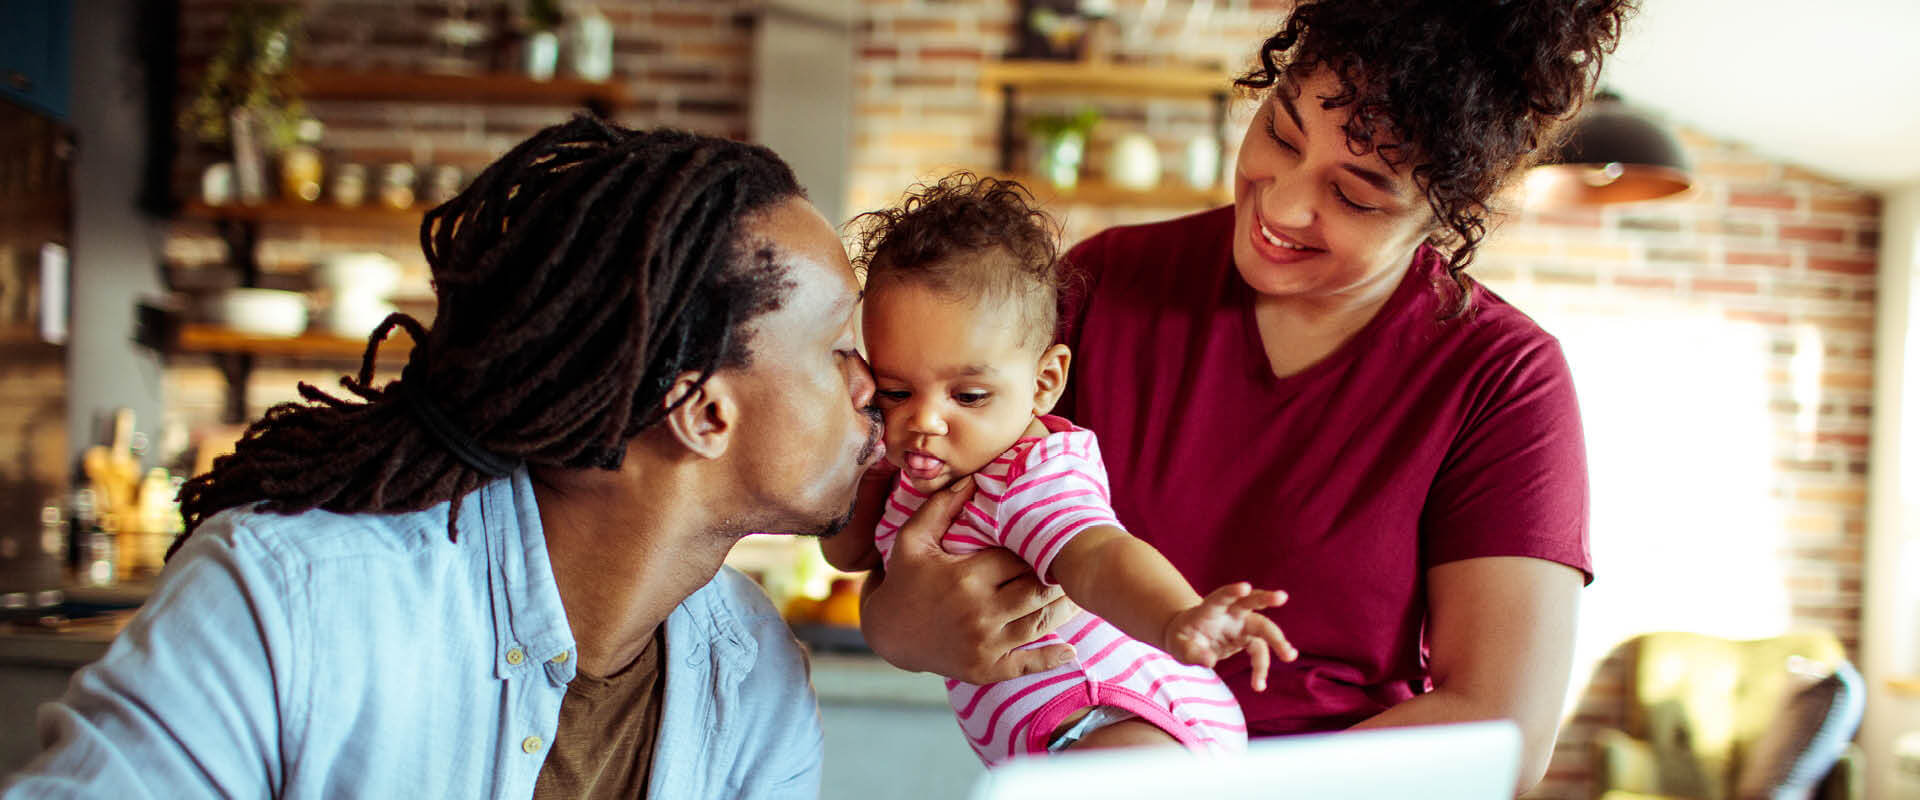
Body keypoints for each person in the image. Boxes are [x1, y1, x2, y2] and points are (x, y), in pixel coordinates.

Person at [855, 0, 1631, 792]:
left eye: (1357, 194)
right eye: (1281, 135)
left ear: (1447, 209)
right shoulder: (1106, 287)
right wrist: (897, 629)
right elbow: (915, 534)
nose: (1282, 205)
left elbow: (1503, 728)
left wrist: (1206, 784)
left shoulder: (1502, 379)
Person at [3, 117, 885, 798]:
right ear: (700, 408)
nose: (874, 384)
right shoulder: (289, 599)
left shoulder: (754, 672)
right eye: (842, 347)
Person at [822, 174, 1296, 765]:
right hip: (1062, 735)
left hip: (1120, 716)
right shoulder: (920, 473)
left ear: (1044, 382)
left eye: (968, 397)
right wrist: (867, 449)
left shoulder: (1028, 473)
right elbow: (848, 554)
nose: (926, 420)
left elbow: (1097, 555)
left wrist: (1178, 617)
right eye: (896, 390)